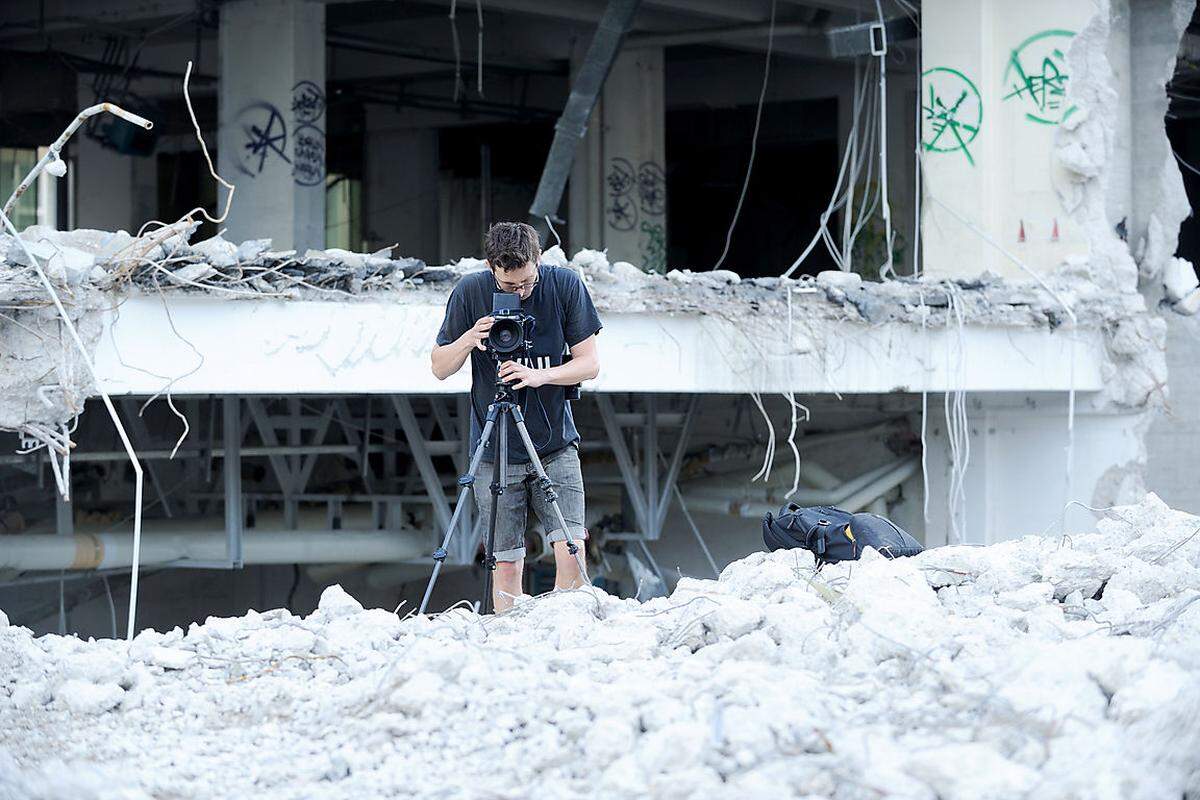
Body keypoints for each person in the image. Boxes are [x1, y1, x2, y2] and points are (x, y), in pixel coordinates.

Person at [431, 222, 601, 611]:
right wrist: (468, 338)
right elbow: (439, 367)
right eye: (510, 288)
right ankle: (511, 639)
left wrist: (540, 376)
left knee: (571, 545)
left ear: (539, 260)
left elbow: (589, 364)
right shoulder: (470, 292)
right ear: (492, 267)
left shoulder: (563, 286)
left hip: (555, 443)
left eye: (527, 283)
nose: (521, 293)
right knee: (505, 560)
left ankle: (566, 626)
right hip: (494, 450)